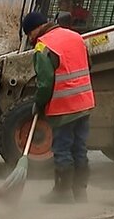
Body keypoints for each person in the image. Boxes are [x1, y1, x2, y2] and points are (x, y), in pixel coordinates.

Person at [21, 11, 94, 204]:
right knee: (80, 148)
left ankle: (61, 193)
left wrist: (39, 103)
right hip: (84, 103)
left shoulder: (43, 47)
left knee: (62, 149)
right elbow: (89, 64)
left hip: (64, 108)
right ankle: (80, 194)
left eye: (29, 34)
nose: (30, 38)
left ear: (35, 29)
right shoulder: (75, 37)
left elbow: (45, 83)